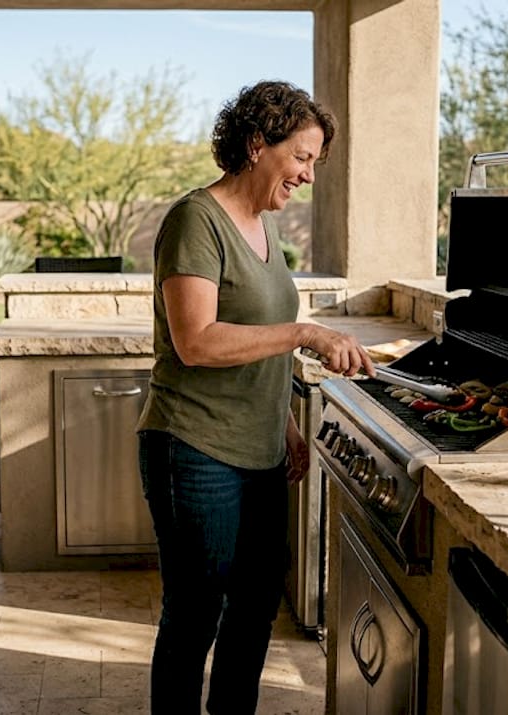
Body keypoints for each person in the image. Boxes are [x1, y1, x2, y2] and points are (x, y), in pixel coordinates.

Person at [136, 80, 375, 715]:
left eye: (314, 163)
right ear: (255, 144)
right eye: (301, 157)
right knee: (195, 616)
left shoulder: (264, 229)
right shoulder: (197, 220)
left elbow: (253, 345)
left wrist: (286, 423)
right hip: (194, 448)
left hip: (260, 451)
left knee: (254, 609)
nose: (308, 175)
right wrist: (305, 332)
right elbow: (198, 342)